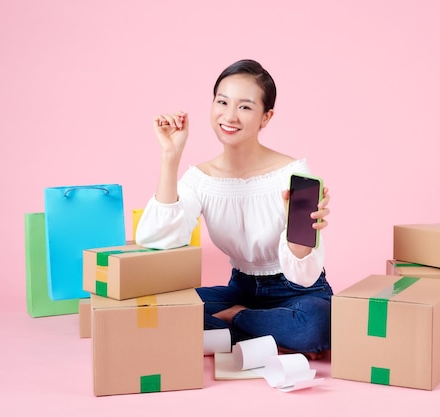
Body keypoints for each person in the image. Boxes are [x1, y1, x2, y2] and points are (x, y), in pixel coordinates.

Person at [135, 59, 333, 359]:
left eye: (245, 107)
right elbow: (156, 238)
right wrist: (170, 157)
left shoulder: (293, 175)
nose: (229, 115)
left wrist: (299, 239)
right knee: (161, 308)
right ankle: (271, 339)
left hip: (298, 293)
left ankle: (237, 324)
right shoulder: (200, 178)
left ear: (266, 117)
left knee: (315, 325)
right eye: (222, 101)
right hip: (241, 289)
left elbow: (304, 276)